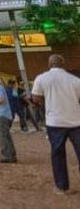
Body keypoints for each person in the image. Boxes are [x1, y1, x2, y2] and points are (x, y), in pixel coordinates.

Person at [31, 54, 80, 195]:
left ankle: (61, 186)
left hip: (55, 122)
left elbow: (36, 99)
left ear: (49, 64)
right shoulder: (75, 80)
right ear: (63, 63)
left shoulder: (41, 78)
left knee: (58, 154)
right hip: (76, 120)